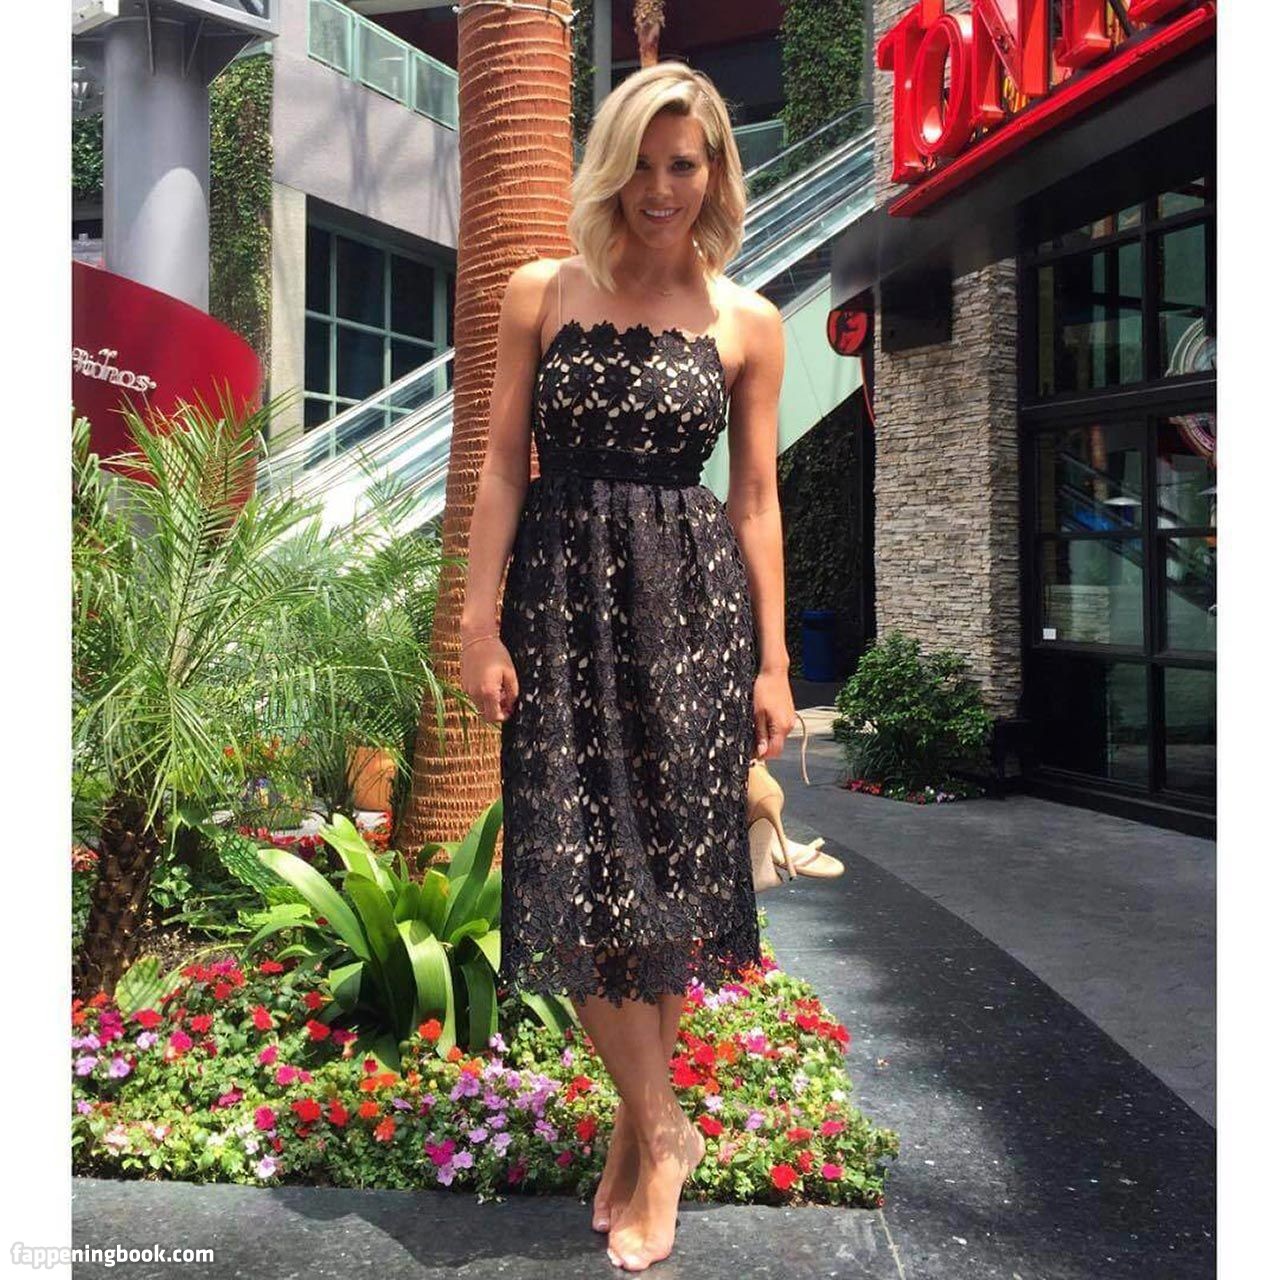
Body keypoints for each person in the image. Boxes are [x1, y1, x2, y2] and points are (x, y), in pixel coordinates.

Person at [459, 61, 794, 1272]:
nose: (660, 188)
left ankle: (639, 1136)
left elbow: (753, 500)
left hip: (689, 615)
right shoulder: (541, 290)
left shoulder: (748, 319)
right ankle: (663, 1131)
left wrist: (772, 662)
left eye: (682, 165)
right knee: (571, 864)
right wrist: (478, 620)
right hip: (557, 611)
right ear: (609, 165)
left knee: (658, 873)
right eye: (642, 164)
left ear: (713, 172)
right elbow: (502, 465)